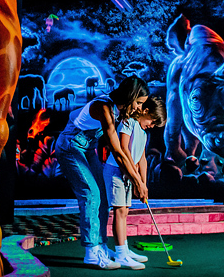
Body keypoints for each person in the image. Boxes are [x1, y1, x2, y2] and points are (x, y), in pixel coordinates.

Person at [55, 76, 150, 269]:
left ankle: (102, 246)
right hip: (70, 147)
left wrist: (138, 180)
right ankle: (91, 252)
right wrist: (138, 182)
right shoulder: (104, 108)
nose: (140, 109)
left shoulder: (117, 110)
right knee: (91, 194)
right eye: (139, 103)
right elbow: (117, 151)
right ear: (130, 96)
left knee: (104, 198)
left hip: (87, 148)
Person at [104, 96, 166, 270]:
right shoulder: (128, 122)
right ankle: (120, 253)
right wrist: (136, 179)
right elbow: (124, 151)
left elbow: (142, 160)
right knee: (119, 210)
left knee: (125, 211)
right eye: (152, 121)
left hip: (129, 175)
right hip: (116, 171)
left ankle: (124, 249)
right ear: (145, 111)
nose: (152, 126)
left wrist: (144, 184)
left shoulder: (144, 133)